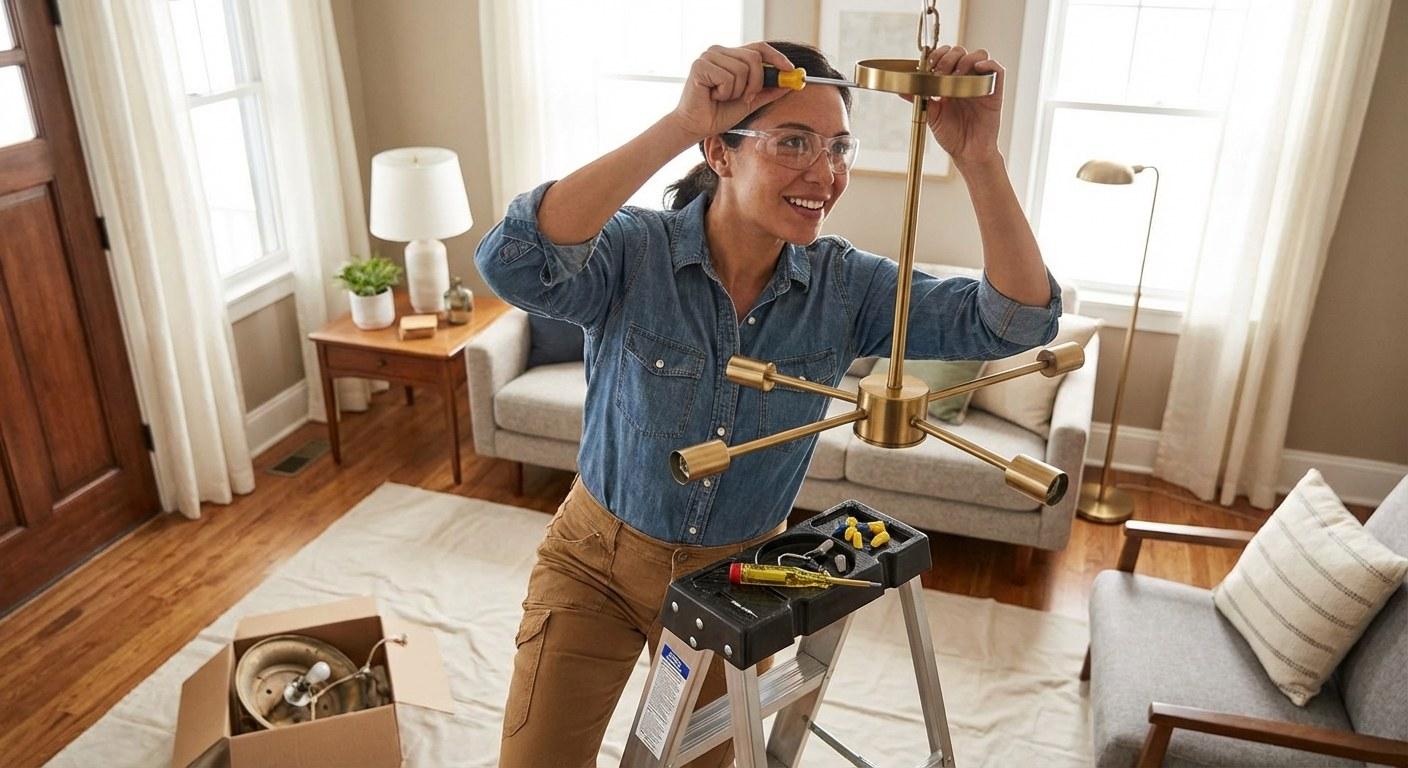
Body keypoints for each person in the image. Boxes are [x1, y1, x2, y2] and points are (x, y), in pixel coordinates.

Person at [475, 40, 1061, 767]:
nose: (826, 173)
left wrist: (980, 159)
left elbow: (1017, 322)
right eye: (794, 143)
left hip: (733, 590)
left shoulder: (849, 290)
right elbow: (514, 260)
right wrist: (677, 124)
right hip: (594, 563)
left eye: (840, 147)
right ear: (721, 153)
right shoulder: (636, 253)